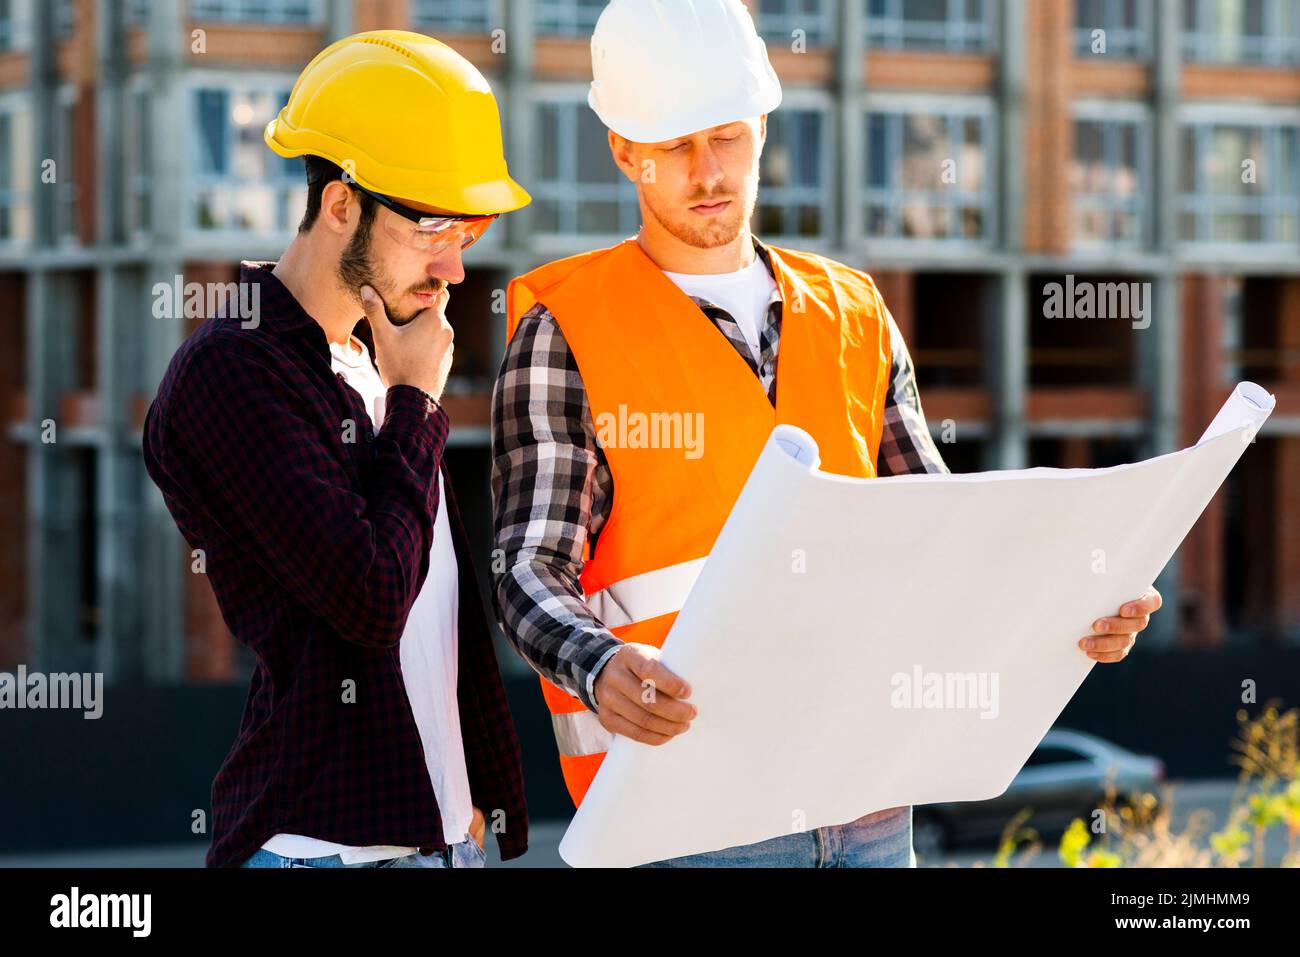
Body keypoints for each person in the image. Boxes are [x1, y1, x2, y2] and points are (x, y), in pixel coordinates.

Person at [490, 0, 1162, 868]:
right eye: (674, 146)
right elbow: (526, 565)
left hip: (872, 800)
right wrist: (600, 663)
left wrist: (1076, 600)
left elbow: (945, 538)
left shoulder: (854, 313)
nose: (706, 171)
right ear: (624, 151)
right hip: (691, 817)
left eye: (726, 137)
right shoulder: (568, 330)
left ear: (763, 126)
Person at [143, 31, 530, 869]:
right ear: (341, 204)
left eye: (467, 229)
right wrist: (420, 404)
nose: (455, 268)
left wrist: (466, 807)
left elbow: (441, 620)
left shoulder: (371, 357)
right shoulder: (232, 371)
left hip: (438, 842)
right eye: (431, 225)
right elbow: (369, 598)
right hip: (321, 850)